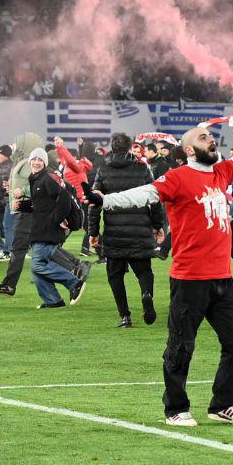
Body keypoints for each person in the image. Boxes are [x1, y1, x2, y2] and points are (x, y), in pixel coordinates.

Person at [86, 119, 233, 427]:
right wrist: (106, 200)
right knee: (181, 347)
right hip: (190, 278)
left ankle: (224, 403)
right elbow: (145, 194)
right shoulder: (177, 177)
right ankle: (176, 409)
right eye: (204, 138)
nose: (212, 141)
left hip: (222, 278)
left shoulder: (220, 172)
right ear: (190, 149)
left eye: (211, 136)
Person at [88, 133, 165, 327]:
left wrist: (93, 232)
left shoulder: (103, 170)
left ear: (112, 148)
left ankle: (125, 315)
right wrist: (158, 226)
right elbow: (154, 197)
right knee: (144, 271)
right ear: (131, 148)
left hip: (115, 232)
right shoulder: (142, 168)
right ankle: (146, 294)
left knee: (115, 275)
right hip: (140, 229)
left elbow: (94, 202)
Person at [17, 147, 86, 309]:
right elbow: (39, 205)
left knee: (38, 266)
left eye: (40, 160)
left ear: (45, 163)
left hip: (48, 230)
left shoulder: (47, 178)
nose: (36, 162)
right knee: (37, 270)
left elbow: (64, 198)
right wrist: (22, 205)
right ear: (30, 161)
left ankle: (74, 283)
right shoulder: (35, 179)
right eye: (34, 159)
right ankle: (53, 301)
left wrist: (57, 219)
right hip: (41, 229)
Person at [0, 133, 43, 297]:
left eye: (17, 143)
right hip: (25, 211)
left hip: (28, 212)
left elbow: (36, 187)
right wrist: (12, 190)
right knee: (41, 248)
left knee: (20, 249)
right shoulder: (24, 162)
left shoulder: (30, 163)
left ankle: (9, 285)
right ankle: (76, 268)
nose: (14, 146)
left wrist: (20, 195)